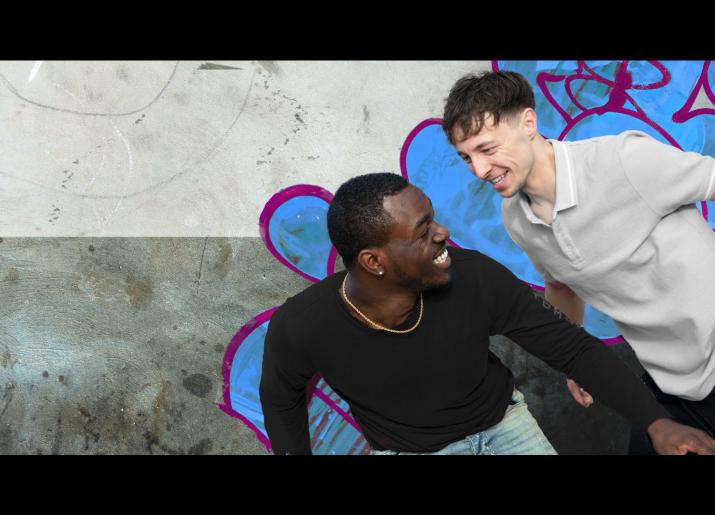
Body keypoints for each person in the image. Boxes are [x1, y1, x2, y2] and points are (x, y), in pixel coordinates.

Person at [259, 172, 715, 455]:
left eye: (433, 219)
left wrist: (658, 422)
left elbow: (572, 349)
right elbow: (282, 400)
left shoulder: (472, 276)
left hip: (504, 426)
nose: (443, 233)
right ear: (374, 261)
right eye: (423, 233)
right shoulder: (303, 325)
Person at [442, 70, 715, 454]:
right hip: (670, 380)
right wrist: (575, 363)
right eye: (466, 157)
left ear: (528, 123)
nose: (480, 170)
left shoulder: (621, 160)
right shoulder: (515, 217)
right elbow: (561, 285)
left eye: (487, 149)